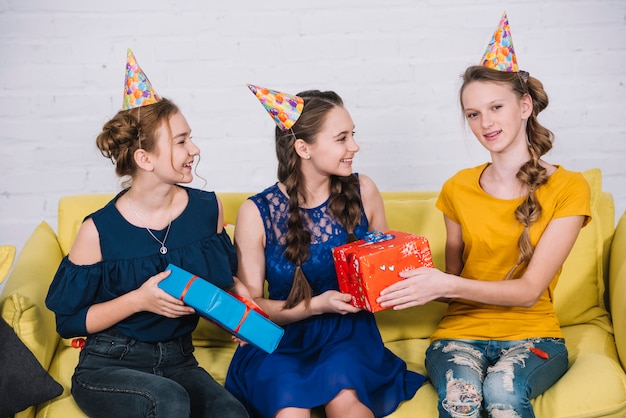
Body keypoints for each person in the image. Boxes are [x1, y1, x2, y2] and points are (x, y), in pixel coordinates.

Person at [377, 13, 591, 417]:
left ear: (525, 105)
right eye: (473, 114)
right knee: (463, 400)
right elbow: (454, 284)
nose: (485, 122)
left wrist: (444, 283)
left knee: (503, 393)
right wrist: (401, 275)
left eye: (496, 107)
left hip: (535, 335)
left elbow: (529, 291)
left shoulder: (570, 187)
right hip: (458, 335)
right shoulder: (457, 187)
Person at [45, 49, 249, 418]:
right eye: (182, 141)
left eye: (191, 138)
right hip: (109, 364)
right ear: (145, 159)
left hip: (179, 361)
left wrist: (239, 307)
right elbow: (67, 322)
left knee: (232, 413)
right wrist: (139, 300)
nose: (195, 150)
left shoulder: (208, 209)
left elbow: (219, 285)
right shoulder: (98, 230)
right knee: (167, 401)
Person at [225, 85, 426, 418]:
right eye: (342, 138)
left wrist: (401, 275)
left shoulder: (364, 190)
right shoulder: (256, 213)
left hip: (348, 334)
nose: (354, 147)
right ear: (303, 148)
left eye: (353, 135)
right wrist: (315, 305)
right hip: (281, 338)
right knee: (289, 408)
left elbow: (385, 270)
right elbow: (255, 307)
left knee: (344, 398)